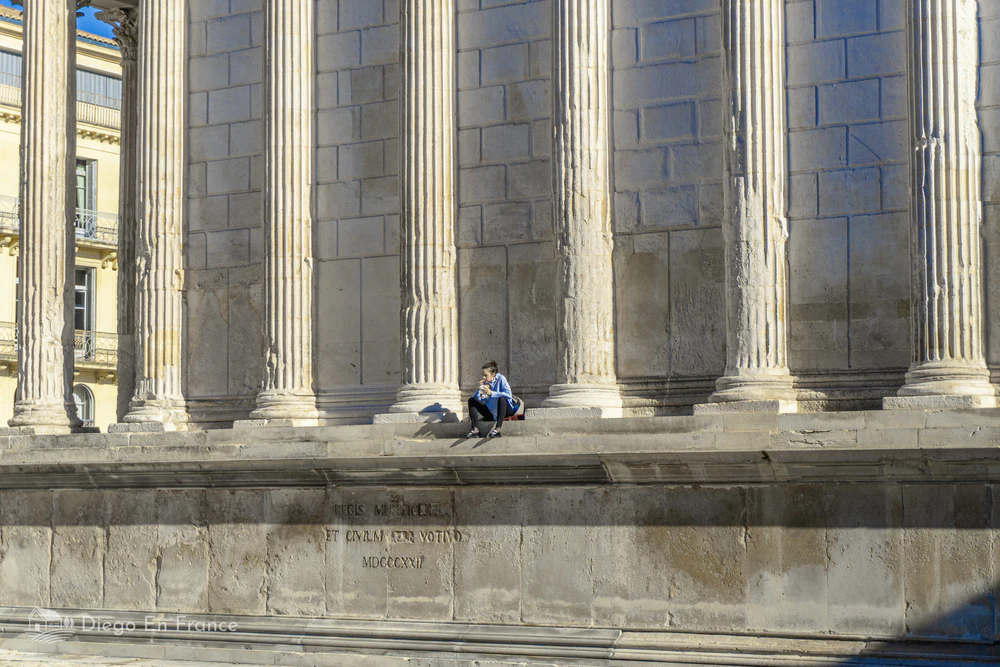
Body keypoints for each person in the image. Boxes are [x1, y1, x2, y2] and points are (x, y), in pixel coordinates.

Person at [466, 360, 518, 438]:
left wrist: (491, 393)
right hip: (491, 412)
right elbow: (478, 399)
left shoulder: (501, 379)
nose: (483, 377)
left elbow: (508, 395)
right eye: (482, 375)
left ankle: (498, 429)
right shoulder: (485, 384)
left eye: (485, 375)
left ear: (493, 374)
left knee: (501, 398)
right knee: (471, 400)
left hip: (505, 410)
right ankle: (475, 429)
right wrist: (478, 389)